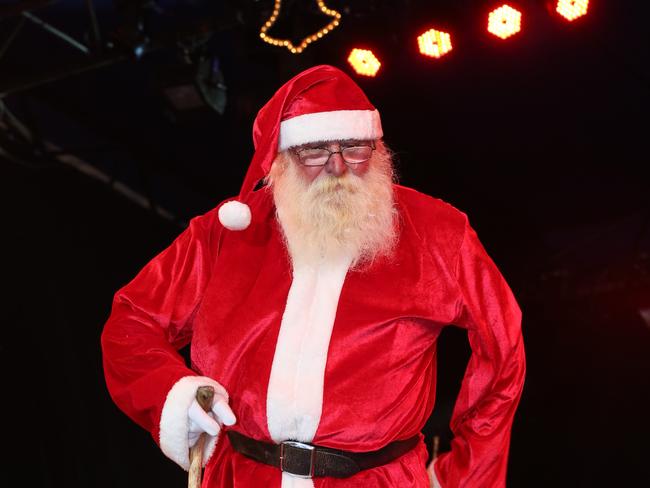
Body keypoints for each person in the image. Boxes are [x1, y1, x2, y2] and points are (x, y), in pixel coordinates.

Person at [101, 64, 525, 488]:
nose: (338, 166)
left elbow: (502, 350)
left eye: (354, 148)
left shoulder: (436, 231)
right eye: (315, 150)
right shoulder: (226, 233)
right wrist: (173, 394)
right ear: (283, 158)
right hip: (242, 478)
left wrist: (465, 474)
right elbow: (132, 321)